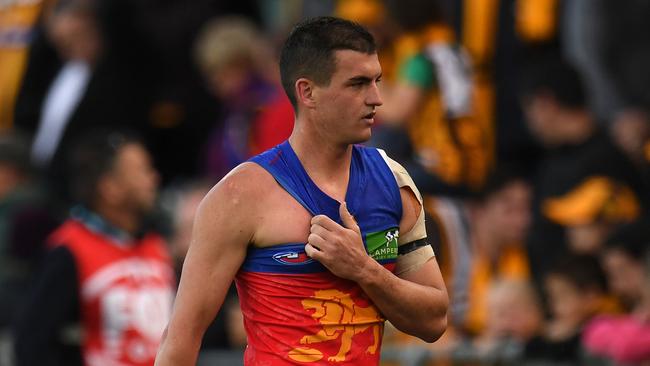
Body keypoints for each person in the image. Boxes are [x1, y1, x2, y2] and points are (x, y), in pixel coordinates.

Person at [155, 16, 448, 365]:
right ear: (307, 91)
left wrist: (363, 269)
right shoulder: (241, 194)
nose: (377, 98)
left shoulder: (392, 179)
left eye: (377, 81)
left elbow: (434, 321)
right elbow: (180, 339)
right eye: (357, 84)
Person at [13, 130, 175, 366]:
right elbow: (32, 343)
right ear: (110, 188)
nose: (153, 179)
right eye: (142, 171)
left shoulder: (156, 245)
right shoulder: (69, 249)